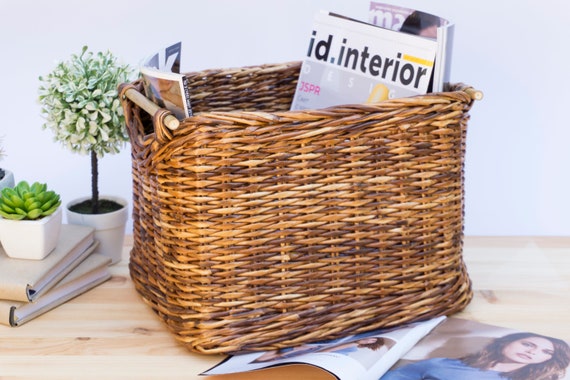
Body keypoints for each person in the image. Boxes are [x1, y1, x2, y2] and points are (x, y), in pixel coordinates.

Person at [380, 332, 570, 380]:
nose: (532, 352)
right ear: (506, 343)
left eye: (546, 352)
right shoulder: (441, 364)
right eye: (528, 344)